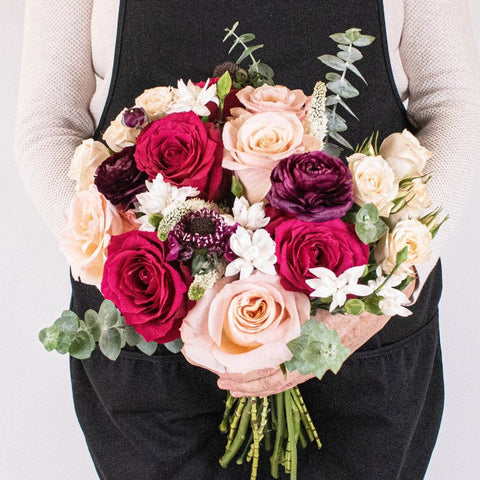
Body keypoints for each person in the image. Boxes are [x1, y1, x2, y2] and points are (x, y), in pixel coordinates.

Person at [15, 0, 480, 479]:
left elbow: (452, 106)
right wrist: (134, 262)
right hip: (155, 346)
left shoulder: (366, 316)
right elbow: (48, 125)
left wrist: (386, 291)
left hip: (358, 337)